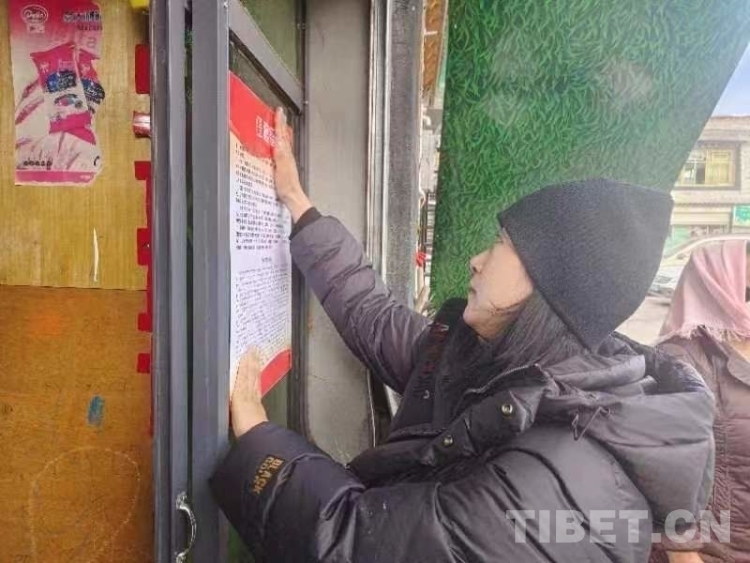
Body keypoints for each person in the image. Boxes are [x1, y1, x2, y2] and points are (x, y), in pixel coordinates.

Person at [210, 108, 715, 563]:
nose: (477, 260)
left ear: (547, 291)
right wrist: (298, 205)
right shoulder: (500, 365)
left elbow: (351, 543)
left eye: (500, 244)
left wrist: (258, 436)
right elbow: (375, 318)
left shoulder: (548, 492)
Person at [650, 240, 750, 563]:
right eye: (747, 292)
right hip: (715, 550)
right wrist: (684, 554)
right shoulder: (681, 359)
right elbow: (663, 468)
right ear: (718, 289)